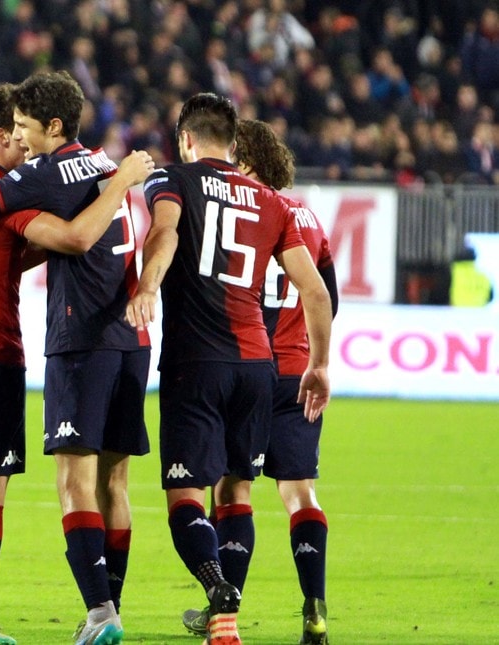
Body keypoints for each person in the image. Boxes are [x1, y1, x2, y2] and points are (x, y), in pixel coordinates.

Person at [0, 84, 154, 645]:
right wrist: (124, 179)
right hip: (129, 337)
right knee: (111, 481)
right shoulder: (101, 163)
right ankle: (106, 607)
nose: (24, 141)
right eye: (17, 130)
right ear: (3, 134)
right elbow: (59, 238)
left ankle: (95, 611)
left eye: (29, 127)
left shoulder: (40, 177)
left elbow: (59, 234)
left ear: (51, 126)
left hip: (72, 340)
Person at [128, 93, 333, 645]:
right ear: (234, 142)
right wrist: (319, 364)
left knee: (185, 496)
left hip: (197, 362)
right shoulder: (273, 202)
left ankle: (218, 585)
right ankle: (224, 626)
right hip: (258, 367)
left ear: (186, 139)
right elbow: (314, 290)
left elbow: (165, 232)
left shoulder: (172, 179)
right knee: (236, 493)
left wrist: (148, 286)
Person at [179, 119, 338, 645]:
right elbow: (326, 299)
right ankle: (314, 606)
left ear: (244, 164)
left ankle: (224, 612)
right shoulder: (309, 220)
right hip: (299, 368)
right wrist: (319, 360)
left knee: (231, 489)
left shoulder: (245, 210)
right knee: (300, 492)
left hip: (249, 362)